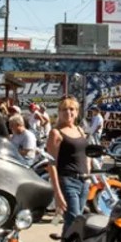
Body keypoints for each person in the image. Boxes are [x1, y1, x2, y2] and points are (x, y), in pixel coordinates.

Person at [45, 96, 89, 226]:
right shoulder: (56, 133)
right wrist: (58, 194)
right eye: (64, 109)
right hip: (68, 182)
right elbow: (51, 165)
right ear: (59, 112)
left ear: (77, 112)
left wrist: (89, 175)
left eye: (72, 109)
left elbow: (85, 155)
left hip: (84, 182)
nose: (68, 112)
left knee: (76, 223)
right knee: (74, 223)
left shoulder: (80, 130)